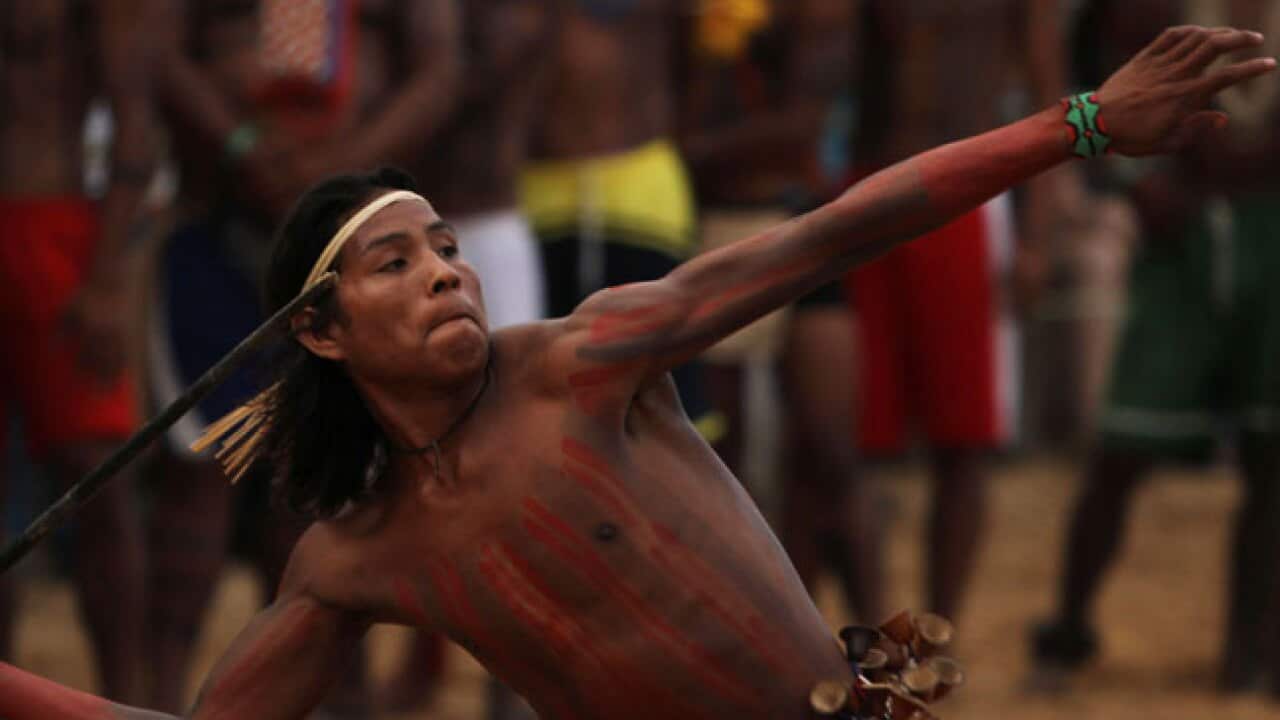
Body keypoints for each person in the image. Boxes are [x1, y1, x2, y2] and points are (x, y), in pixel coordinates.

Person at [0, 24, 1270, 720]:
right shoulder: (353, 558)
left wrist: (1080, 124)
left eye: (446, 246)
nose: (447, 271)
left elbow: (839, 229)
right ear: (322, 332)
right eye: (395, 263)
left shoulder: (584, 361)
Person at [145, 0, 460, 712]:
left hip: (349, 245)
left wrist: (346, 174)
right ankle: (159, 706)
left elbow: (438, 70)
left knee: (329, 494)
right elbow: (160, 50)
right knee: (195, 488)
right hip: (217, 223)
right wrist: (241, 147)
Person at [1032, 0, 1280, 697]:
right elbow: (1088, 80)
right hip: (1184, 238)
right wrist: (1127, 179)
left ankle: (1251, 652)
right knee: (1123, 447)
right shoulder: (1159, 6)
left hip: (1266, 234)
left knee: (1271, 460)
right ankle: (1067, 632)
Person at [843, 0, 1075, 622]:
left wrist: (1037, 236)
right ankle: (872, 641)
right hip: (868, 190)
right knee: (853, 438)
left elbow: (1050, 92)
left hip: (966, 200)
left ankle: (938, 637)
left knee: (964, 439)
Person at [678, 0, 881, 622]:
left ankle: (873, 646)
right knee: (720, 463)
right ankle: (759, 637)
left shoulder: (820, 14)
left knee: (830, 451)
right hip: (707, 226)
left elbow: (802, 125)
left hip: (797, 221)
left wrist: (689, 148)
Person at [387, 0, 552, 713]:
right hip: (402, 228)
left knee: (506, 458)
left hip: (483, 219)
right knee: (408, 456)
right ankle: (421, 658)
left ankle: (506, 678)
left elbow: (457, 78)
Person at [0, 0, 156, 703]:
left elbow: (134, 118)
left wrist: (105, 277)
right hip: (47, 231)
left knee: (100, 479)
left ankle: (123, 702)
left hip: (53, 228)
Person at [521, 0, 722, 442]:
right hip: (534, 196)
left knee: (662, 408)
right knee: (539, 406)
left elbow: (695, 67)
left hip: (640, 190)